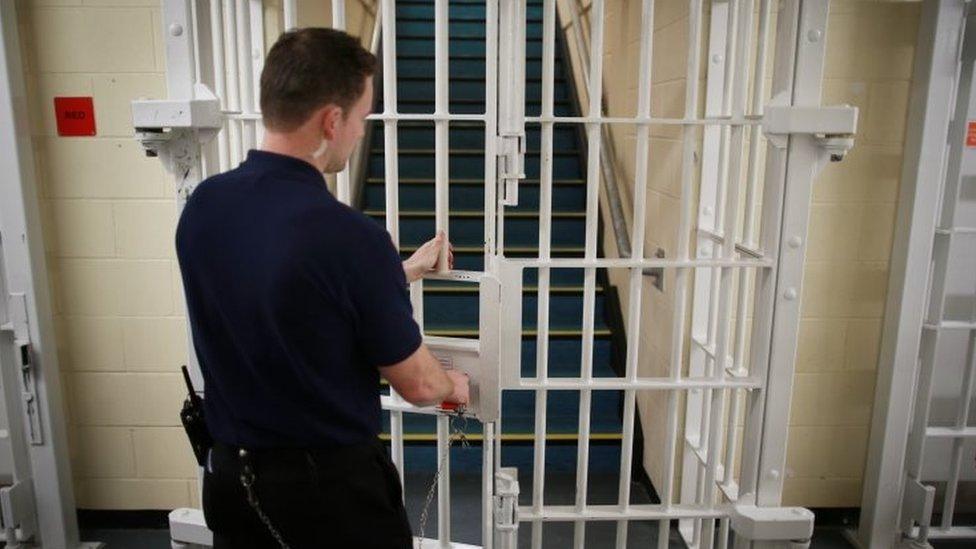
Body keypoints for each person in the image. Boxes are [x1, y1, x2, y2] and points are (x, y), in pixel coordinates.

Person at [175, 27, 468, 548]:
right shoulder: (350, 237)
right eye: (361, 118)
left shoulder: (204, 208)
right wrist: (456, 386)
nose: (360, 132)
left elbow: (284, 297)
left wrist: (401, 273)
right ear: (332, 121)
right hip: (329, 498)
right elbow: (419, 386)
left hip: (232, 486)